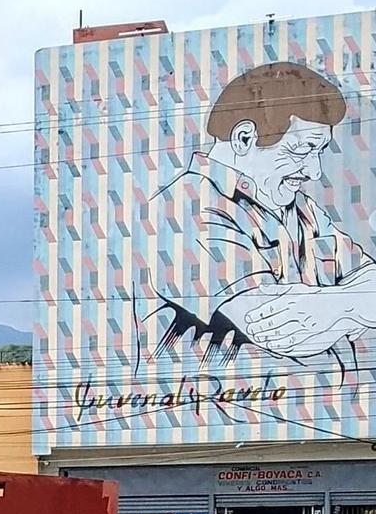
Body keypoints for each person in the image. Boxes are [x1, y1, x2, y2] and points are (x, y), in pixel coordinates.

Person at [141, 61, 376, 375]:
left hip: (328, 417)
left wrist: (335, 306)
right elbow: (277, 329)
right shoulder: (181, 208)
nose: (314, 171)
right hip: (221, 416)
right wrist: (351, 303)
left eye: (318, 152)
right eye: (303, 149)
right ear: (244, 138)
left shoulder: (302, 210)